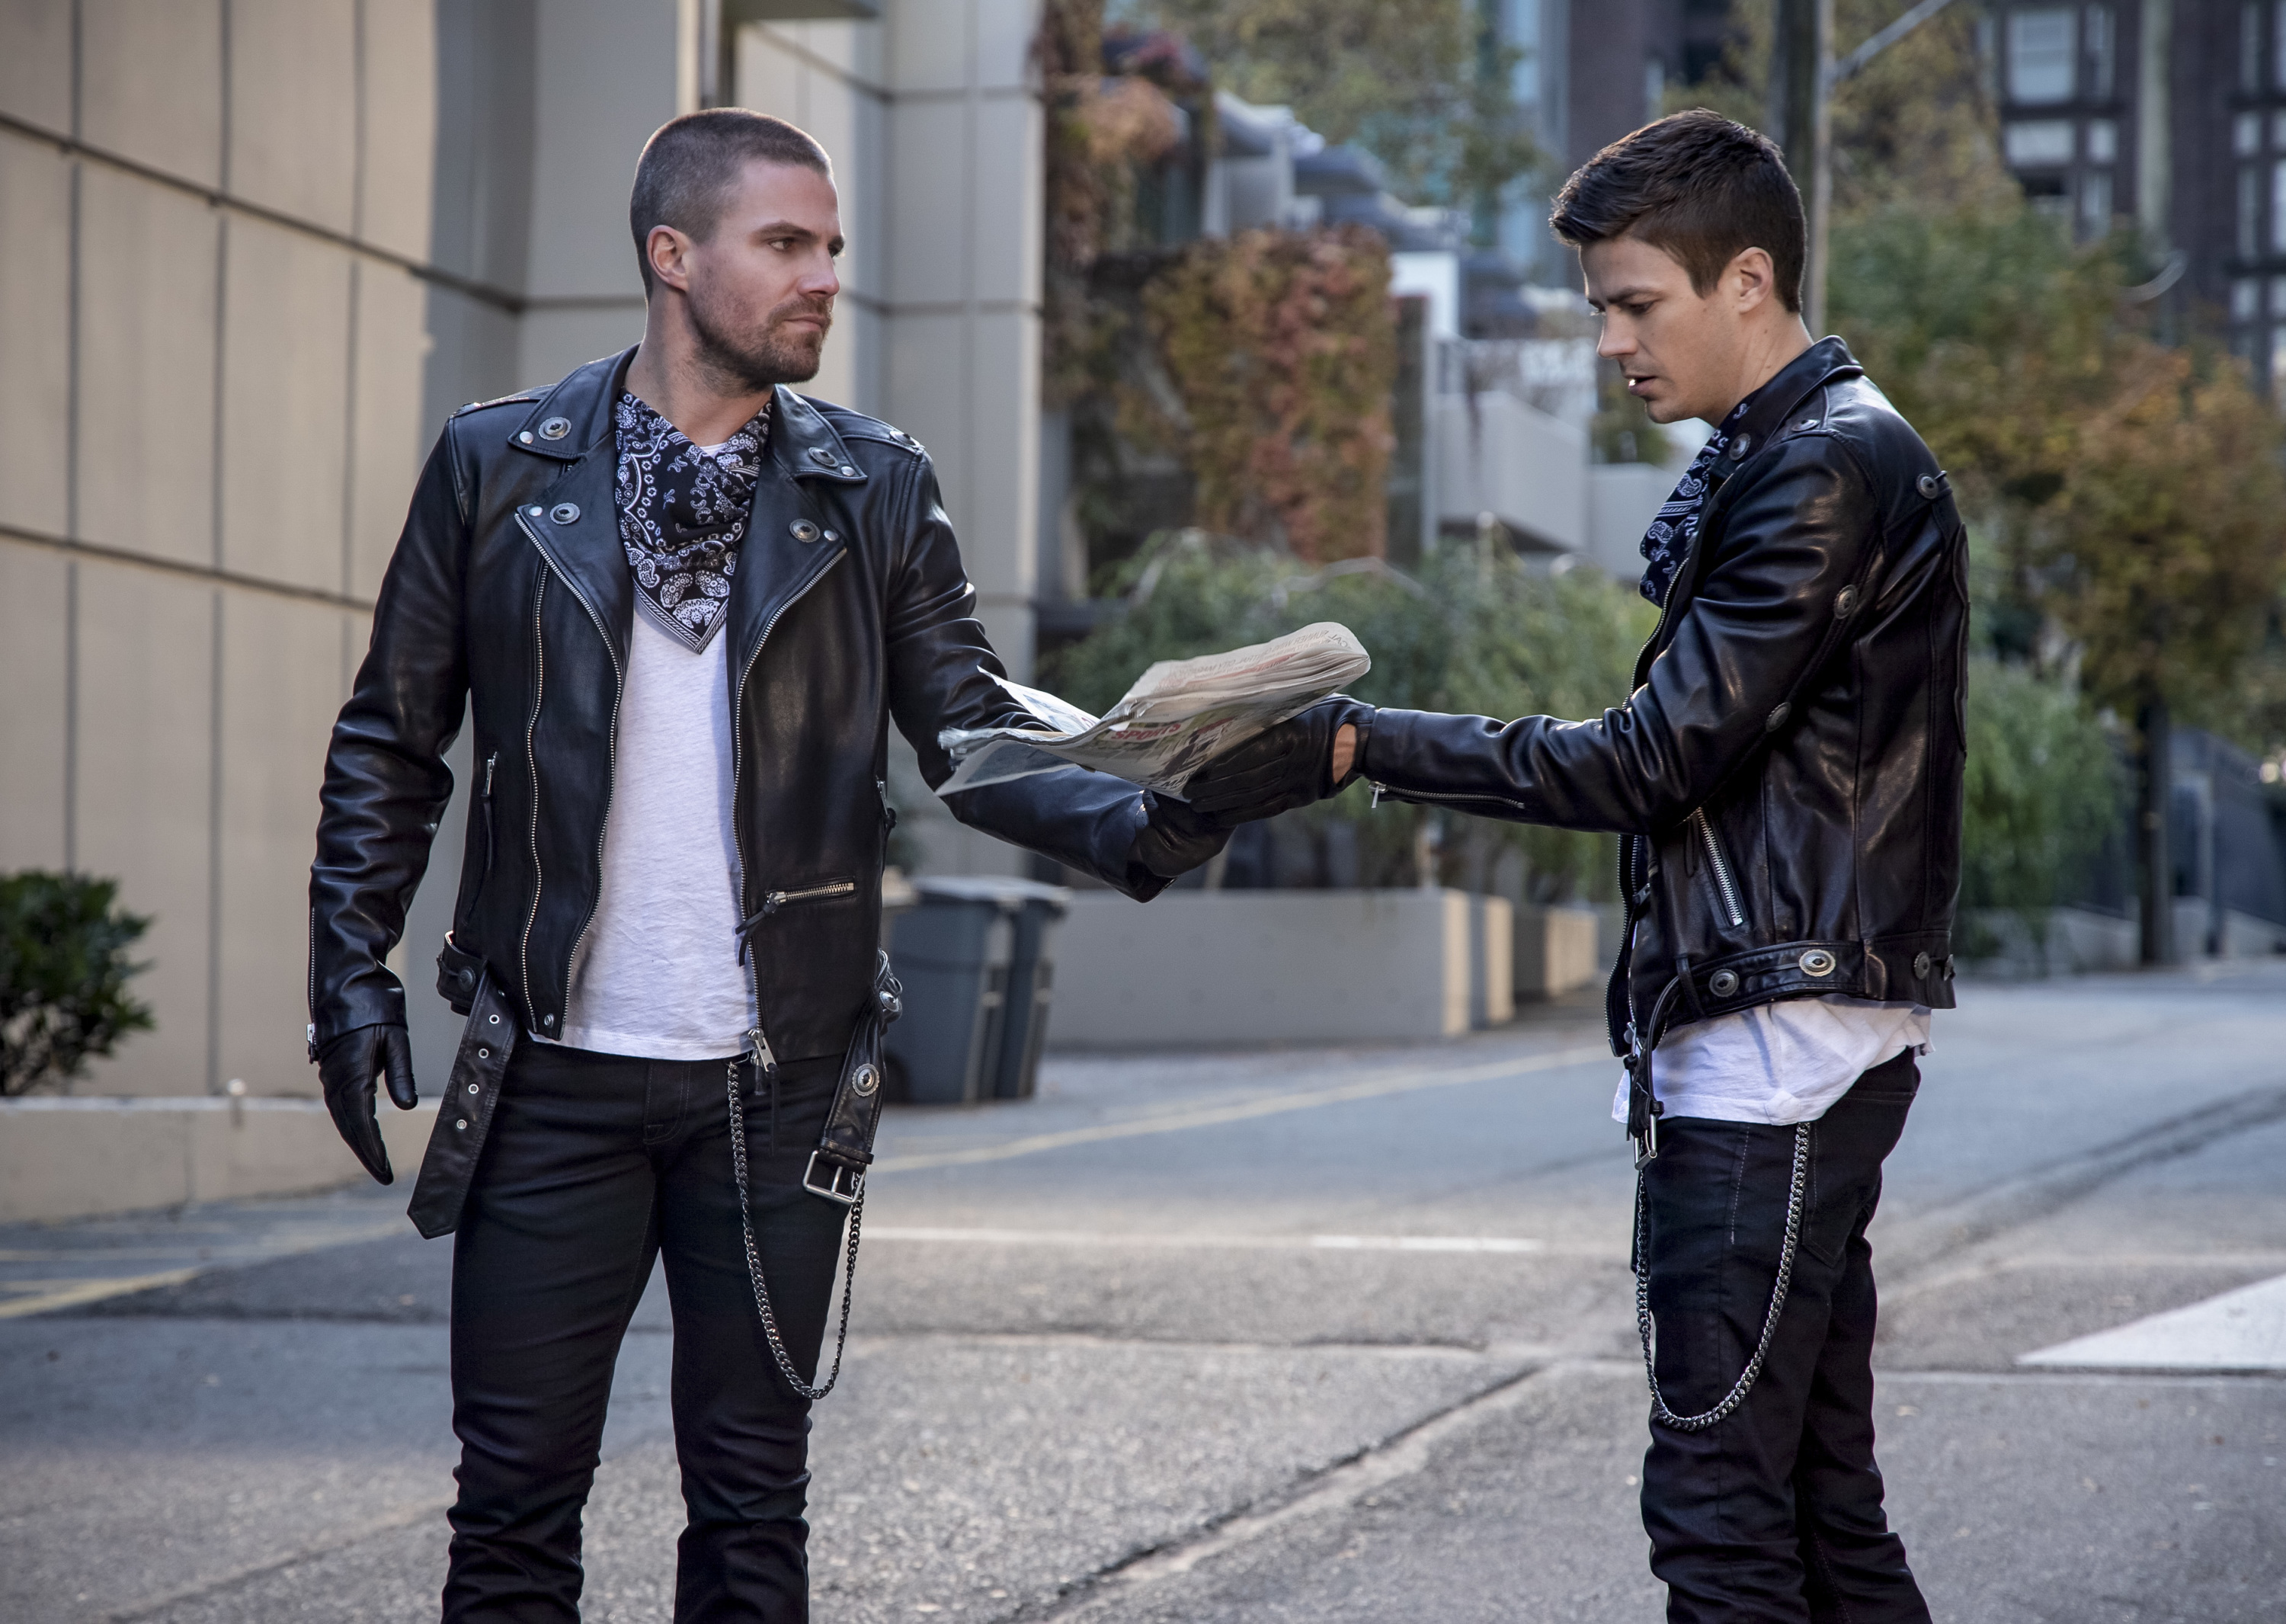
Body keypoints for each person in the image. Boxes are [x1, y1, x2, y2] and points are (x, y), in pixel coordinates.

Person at [307, 110, 1222, 1622]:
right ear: (673, 255)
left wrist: (1151, 823)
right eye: (785, 244)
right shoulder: (497, 466)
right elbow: (392, 742)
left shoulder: (873, 483)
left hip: (780, 1083)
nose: (823, 278)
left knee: (750, 1514)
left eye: (832, 248)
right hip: (548, 1074)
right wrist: (348, 973)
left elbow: (971, 732)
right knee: (514, 1513)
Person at [1185, 110, 1964, 1624]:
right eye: (1602, 307)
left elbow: (1646, 763)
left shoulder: (1819, 468)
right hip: (1799, 1025)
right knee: (1819, 1513)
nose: (1612, 342)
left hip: (1773, 1048)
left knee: (1723, 1521)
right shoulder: (1812, 446)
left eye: (1636, 304)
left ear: (1749, 279)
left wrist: (1359, 742)